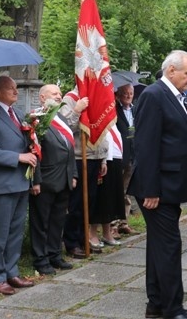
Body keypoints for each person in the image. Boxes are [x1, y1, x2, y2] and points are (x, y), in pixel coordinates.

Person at [127, 50, 187, 319]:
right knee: (169, 247)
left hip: (170, 187)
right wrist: (151, 190)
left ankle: (156, 304)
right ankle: (172, 308)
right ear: (171, 70)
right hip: (158, 189)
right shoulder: (154, 95)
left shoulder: (175, 97)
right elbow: (146, 146)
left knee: (160, 246)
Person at [0, 76, 38, 295]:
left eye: (15, 88)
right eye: (10, 88)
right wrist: (18, 157)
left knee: (15, 231)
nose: (16, 91)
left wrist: (33, 145)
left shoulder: (19, 115)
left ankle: (12, 272)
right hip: (2, 184)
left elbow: (24, 143)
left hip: (21, 182)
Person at [29, 84, 78, 276]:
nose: (59, 96)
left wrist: (73, 174)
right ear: (42, 98)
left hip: (64, 179)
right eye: (54, 93)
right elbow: (33, 151)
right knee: (41, 222)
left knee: (58, 220)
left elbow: (70, 149)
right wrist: (36, 181)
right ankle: (41, 259)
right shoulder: (36, 120)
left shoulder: (62, 118)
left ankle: (54, 254)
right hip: (45, 181)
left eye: (59, 93)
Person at [60, 87, 107, 257]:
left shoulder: (96, 98)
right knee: (77, 204)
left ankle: (83, 238)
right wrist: (77, 110)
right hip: (80, 158)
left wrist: (103, 157)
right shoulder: (71, 99)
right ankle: (72, 242)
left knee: (90, 203)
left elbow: (103, 128)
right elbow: (64, 128)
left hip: (94, 157)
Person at [114, 83, 139, 237]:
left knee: (126, 191)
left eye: (131, 93)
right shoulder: (114, 111)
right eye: (125, 93)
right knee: (116, 190)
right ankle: (113, 225)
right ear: (118, 95)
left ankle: (124, 222)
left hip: (133, 155)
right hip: (119, 154)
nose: (129, 96)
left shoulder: (136, 110)